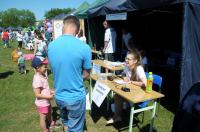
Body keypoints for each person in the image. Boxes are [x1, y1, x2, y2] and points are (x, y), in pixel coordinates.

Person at [48, 15, 92, 132]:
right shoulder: (85, 48)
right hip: (75, 96)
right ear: (77, 30)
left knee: (66, 123)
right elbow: (87, 74)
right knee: (76, 128)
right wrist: (76, 77)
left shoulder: (51, 46)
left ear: (63, 26)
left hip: (59, 96)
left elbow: (55, 69)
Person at [107, 49, 147, 124]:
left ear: (135, 61)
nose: (126, 60)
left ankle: (116, 116)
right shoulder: (127, 66)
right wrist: (124, 77)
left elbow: (145, 84)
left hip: (140, 94)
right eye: (126, 58)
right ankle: (117, 116)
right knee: (117, 96)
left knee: (117, 96)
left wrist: (131, 81)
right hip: (130, 90)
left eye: (128, 59)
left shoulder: (139, 68)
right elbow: (123, 74)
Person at [32, 57, 55, 132]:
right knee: (43, 117)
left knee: (49, 112)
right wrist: (48, 96)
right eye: (44, 67)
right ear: (38, 68)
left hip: (46, 101)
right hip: (42, 103)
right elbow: (37, 94)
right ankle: (45, 130)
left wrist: (51, 91)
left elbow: (45, 89)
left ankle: (51, 122)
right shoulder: (37, 79)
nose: (46, 68)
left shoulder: (42, 75)